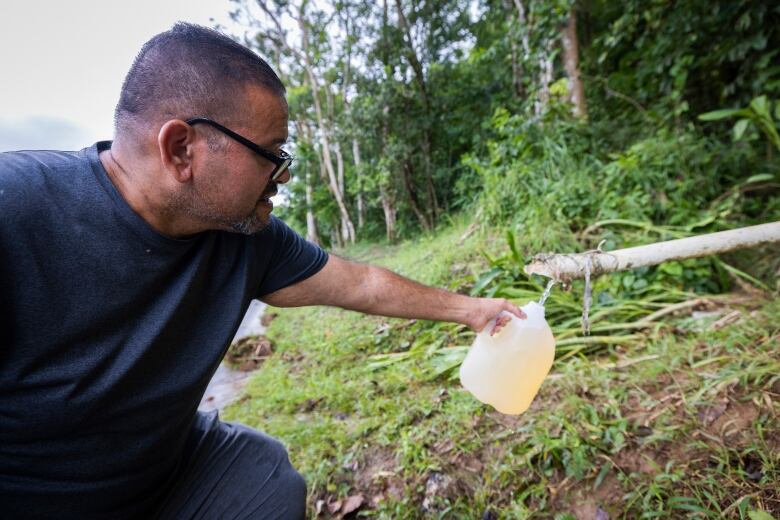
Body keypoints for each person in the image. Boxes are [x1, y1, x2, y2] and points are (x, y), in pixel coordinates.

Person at [0, 23, 524, 519]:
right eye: (270, 154)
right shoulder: (16, 209)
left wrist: (473, 311)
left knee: (267, 477)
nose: (285, 175)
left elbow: (362, 283)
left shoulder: (247, 239)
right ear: (181, 148)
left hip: (164, 472)